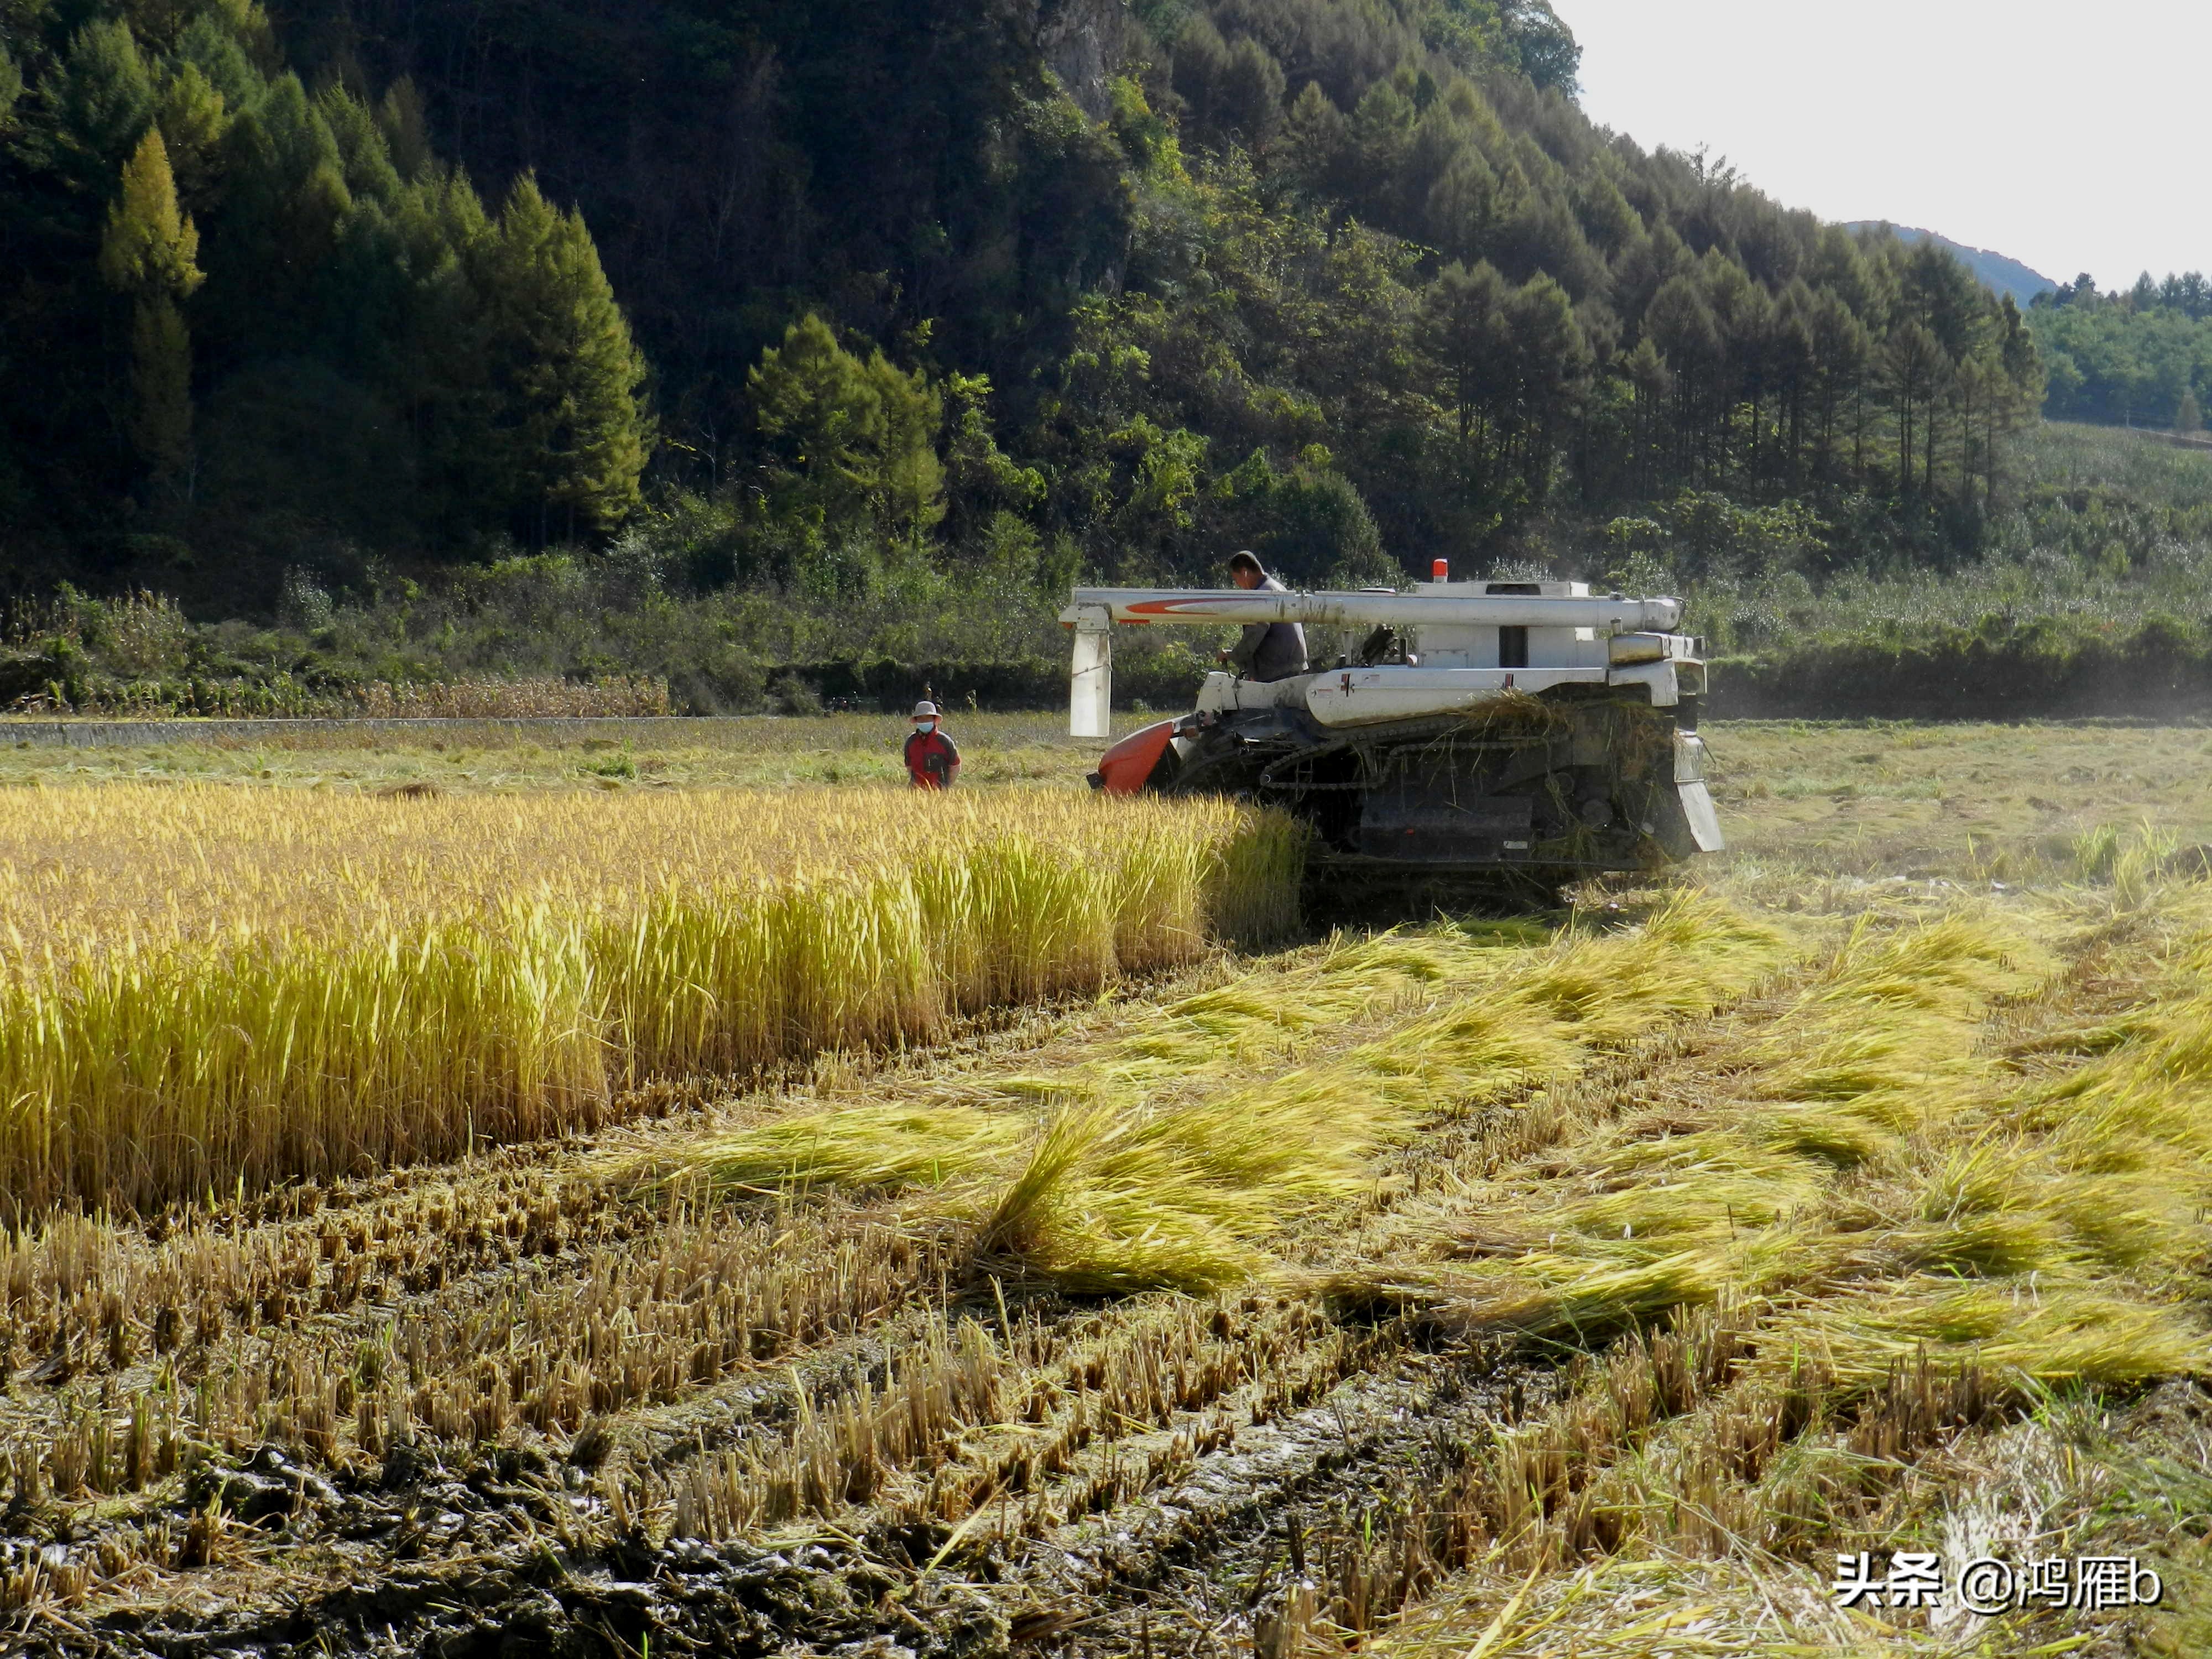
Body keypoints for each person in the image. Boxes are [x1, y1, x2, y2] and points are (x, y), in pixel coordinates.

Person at [1219, 550, 1308, 682]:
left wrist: (1234, 655)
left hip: (1280, 672)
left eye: (1236, 579)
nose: (1237, 584)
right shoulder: (1277, 588)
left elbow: (1255, 634)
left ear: (1244, 573)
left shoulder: (1262, 596)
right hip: (1295, 666)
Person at [904, 700, 961, 789]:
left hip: (939, 794)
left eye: (928, 718)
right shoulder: (911, 741)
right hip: (915, 794)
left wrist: (945, 787)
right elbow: (909, 768)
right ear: (916, 720)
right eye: (921, 718)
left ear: (934, 719)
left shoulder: (945, 741)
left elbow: (955, 767)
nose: (924, 721)